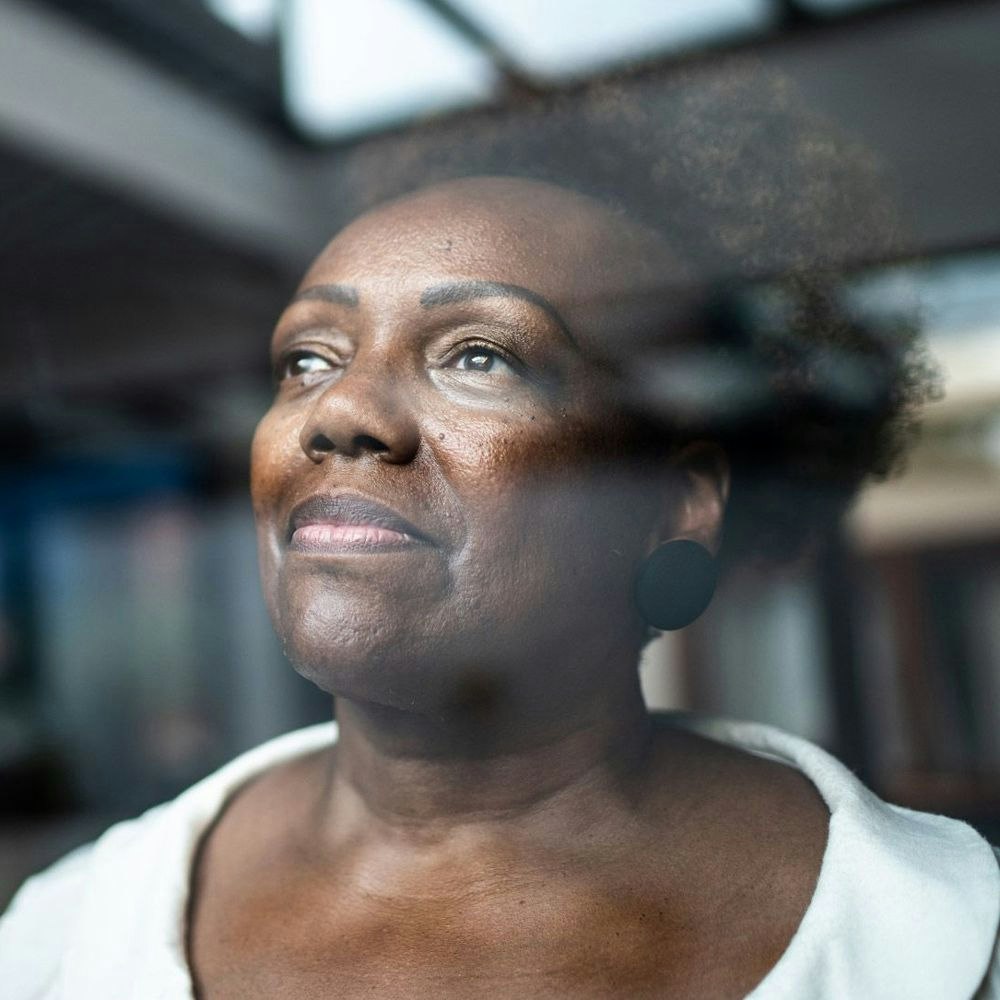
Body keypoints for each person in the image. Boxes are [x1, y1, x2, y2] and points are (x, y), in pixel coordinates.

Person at [2, 75, 998, 999]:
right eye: (308, 358)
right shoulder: (68, 930)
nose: (340, 410)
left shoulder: (940, 940)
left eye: (477, 354)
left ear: (675, 498)